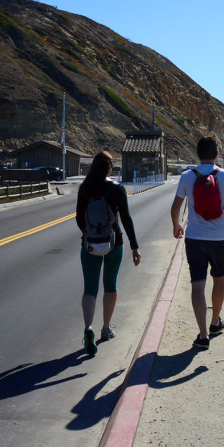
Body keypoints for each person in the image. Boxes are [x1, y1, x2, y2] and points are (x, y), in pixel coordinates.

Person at [171, 135, 224, 350]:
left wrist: (176, 225)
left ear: (198, 154)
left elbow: (176, 206)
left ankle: (203, 335)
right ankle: (215, 321)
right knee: (219, 279)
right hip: (221, 238)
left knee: (198, 285)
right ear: (217, 155)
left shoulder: (188, 176)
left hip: (195, 237)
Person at [75, 151, 141, 355]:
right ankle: (106, 328)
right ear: (109, 168)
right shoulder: (117, 190)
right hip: (115, 243)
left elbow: (79, 219)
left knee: (90, 289)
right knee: (110, 285)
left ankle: (88, 327)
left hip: (90, 245)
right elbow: (127, 219)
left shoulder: (84, 189)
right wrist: (134, 246)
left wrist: (91, 234)